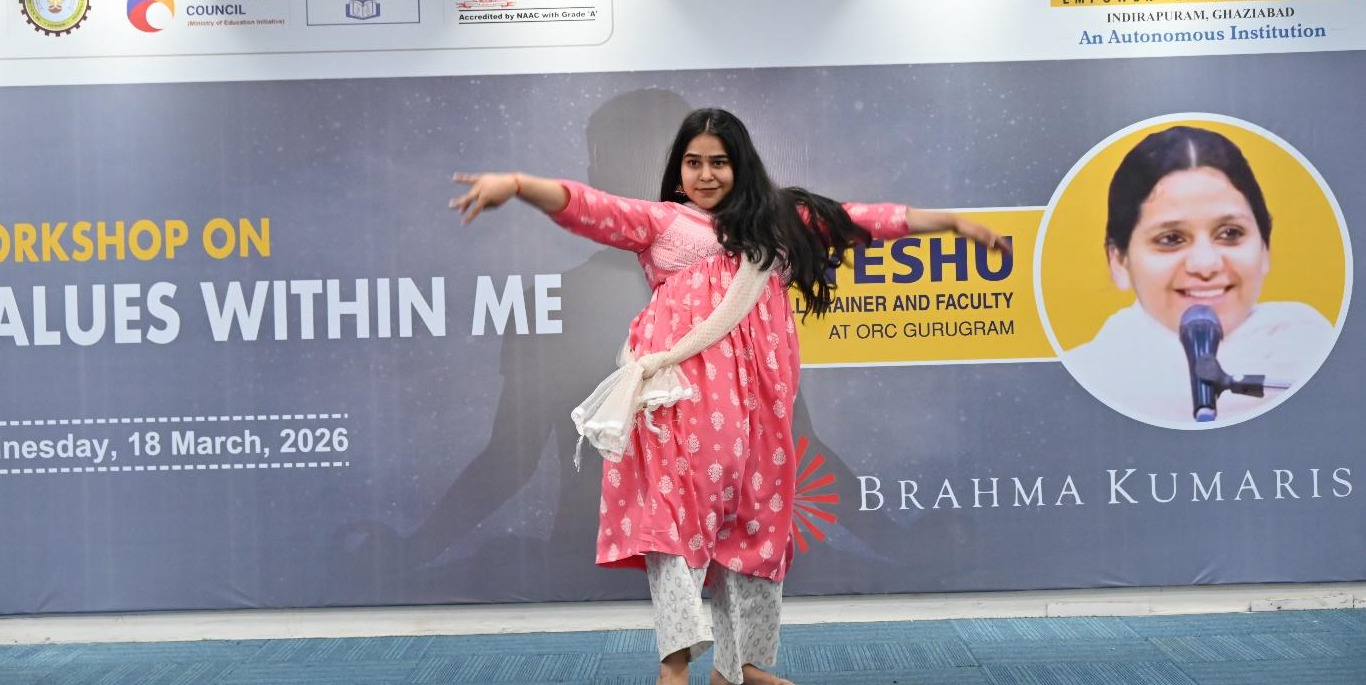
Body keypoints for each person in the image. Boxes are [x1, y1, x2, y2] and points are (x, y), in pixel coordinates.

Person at [451, 108, 1008, 685]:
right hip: (681, 401)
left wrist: (952, 223)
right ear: (678, 170)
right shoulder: (664, 223)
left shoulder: (782, 223)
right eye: (693, 162)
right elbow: (590, 207)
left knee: (757, 524)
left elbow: (862, 220)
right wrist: (519, 185)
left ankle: (737, 668)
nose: (706, 174)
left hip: (762, 404)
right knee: (675, 522)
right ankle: (674, 666)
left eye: (719, 162)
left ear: (741, 166)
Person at [1066, 125, 1335, 427]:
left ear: (1264, 247)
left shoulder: (1318, 357)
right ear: (1118, 261)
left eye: (1230, 233)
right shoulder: (1082, 380)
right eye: (1171, 239)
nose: (1206, 265)